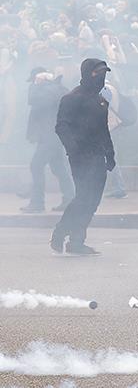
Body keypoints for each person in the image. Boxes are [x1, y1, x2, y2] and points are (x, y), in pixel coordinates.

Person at [50, 59, 115, 256]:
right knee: (83, 197)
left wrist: (110, 153)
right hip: (80, 156)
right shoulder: (71, 98)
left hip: (98, 156)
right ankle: (60, 231)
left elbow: (104, 130)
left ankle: (77, 242)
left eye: (104, 73)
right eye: (97, 73)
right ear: (87, 73)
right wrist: (73, 149)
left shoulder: (101, 100)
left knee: (93, 201)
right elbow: (61, 126)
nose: (102, 77)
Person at [23, 67, 74, 213]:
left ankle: (37, 202)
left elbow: (32, 99)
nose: (32, 83)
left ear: (40, 78)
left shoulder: (47, 90)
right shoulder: (56, 88)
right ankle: (70, 199)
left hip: (49, 136)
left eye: (34, 80)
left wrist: (37, 84)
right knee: (59, 168)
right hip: (54, 135)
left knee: (36, 166)